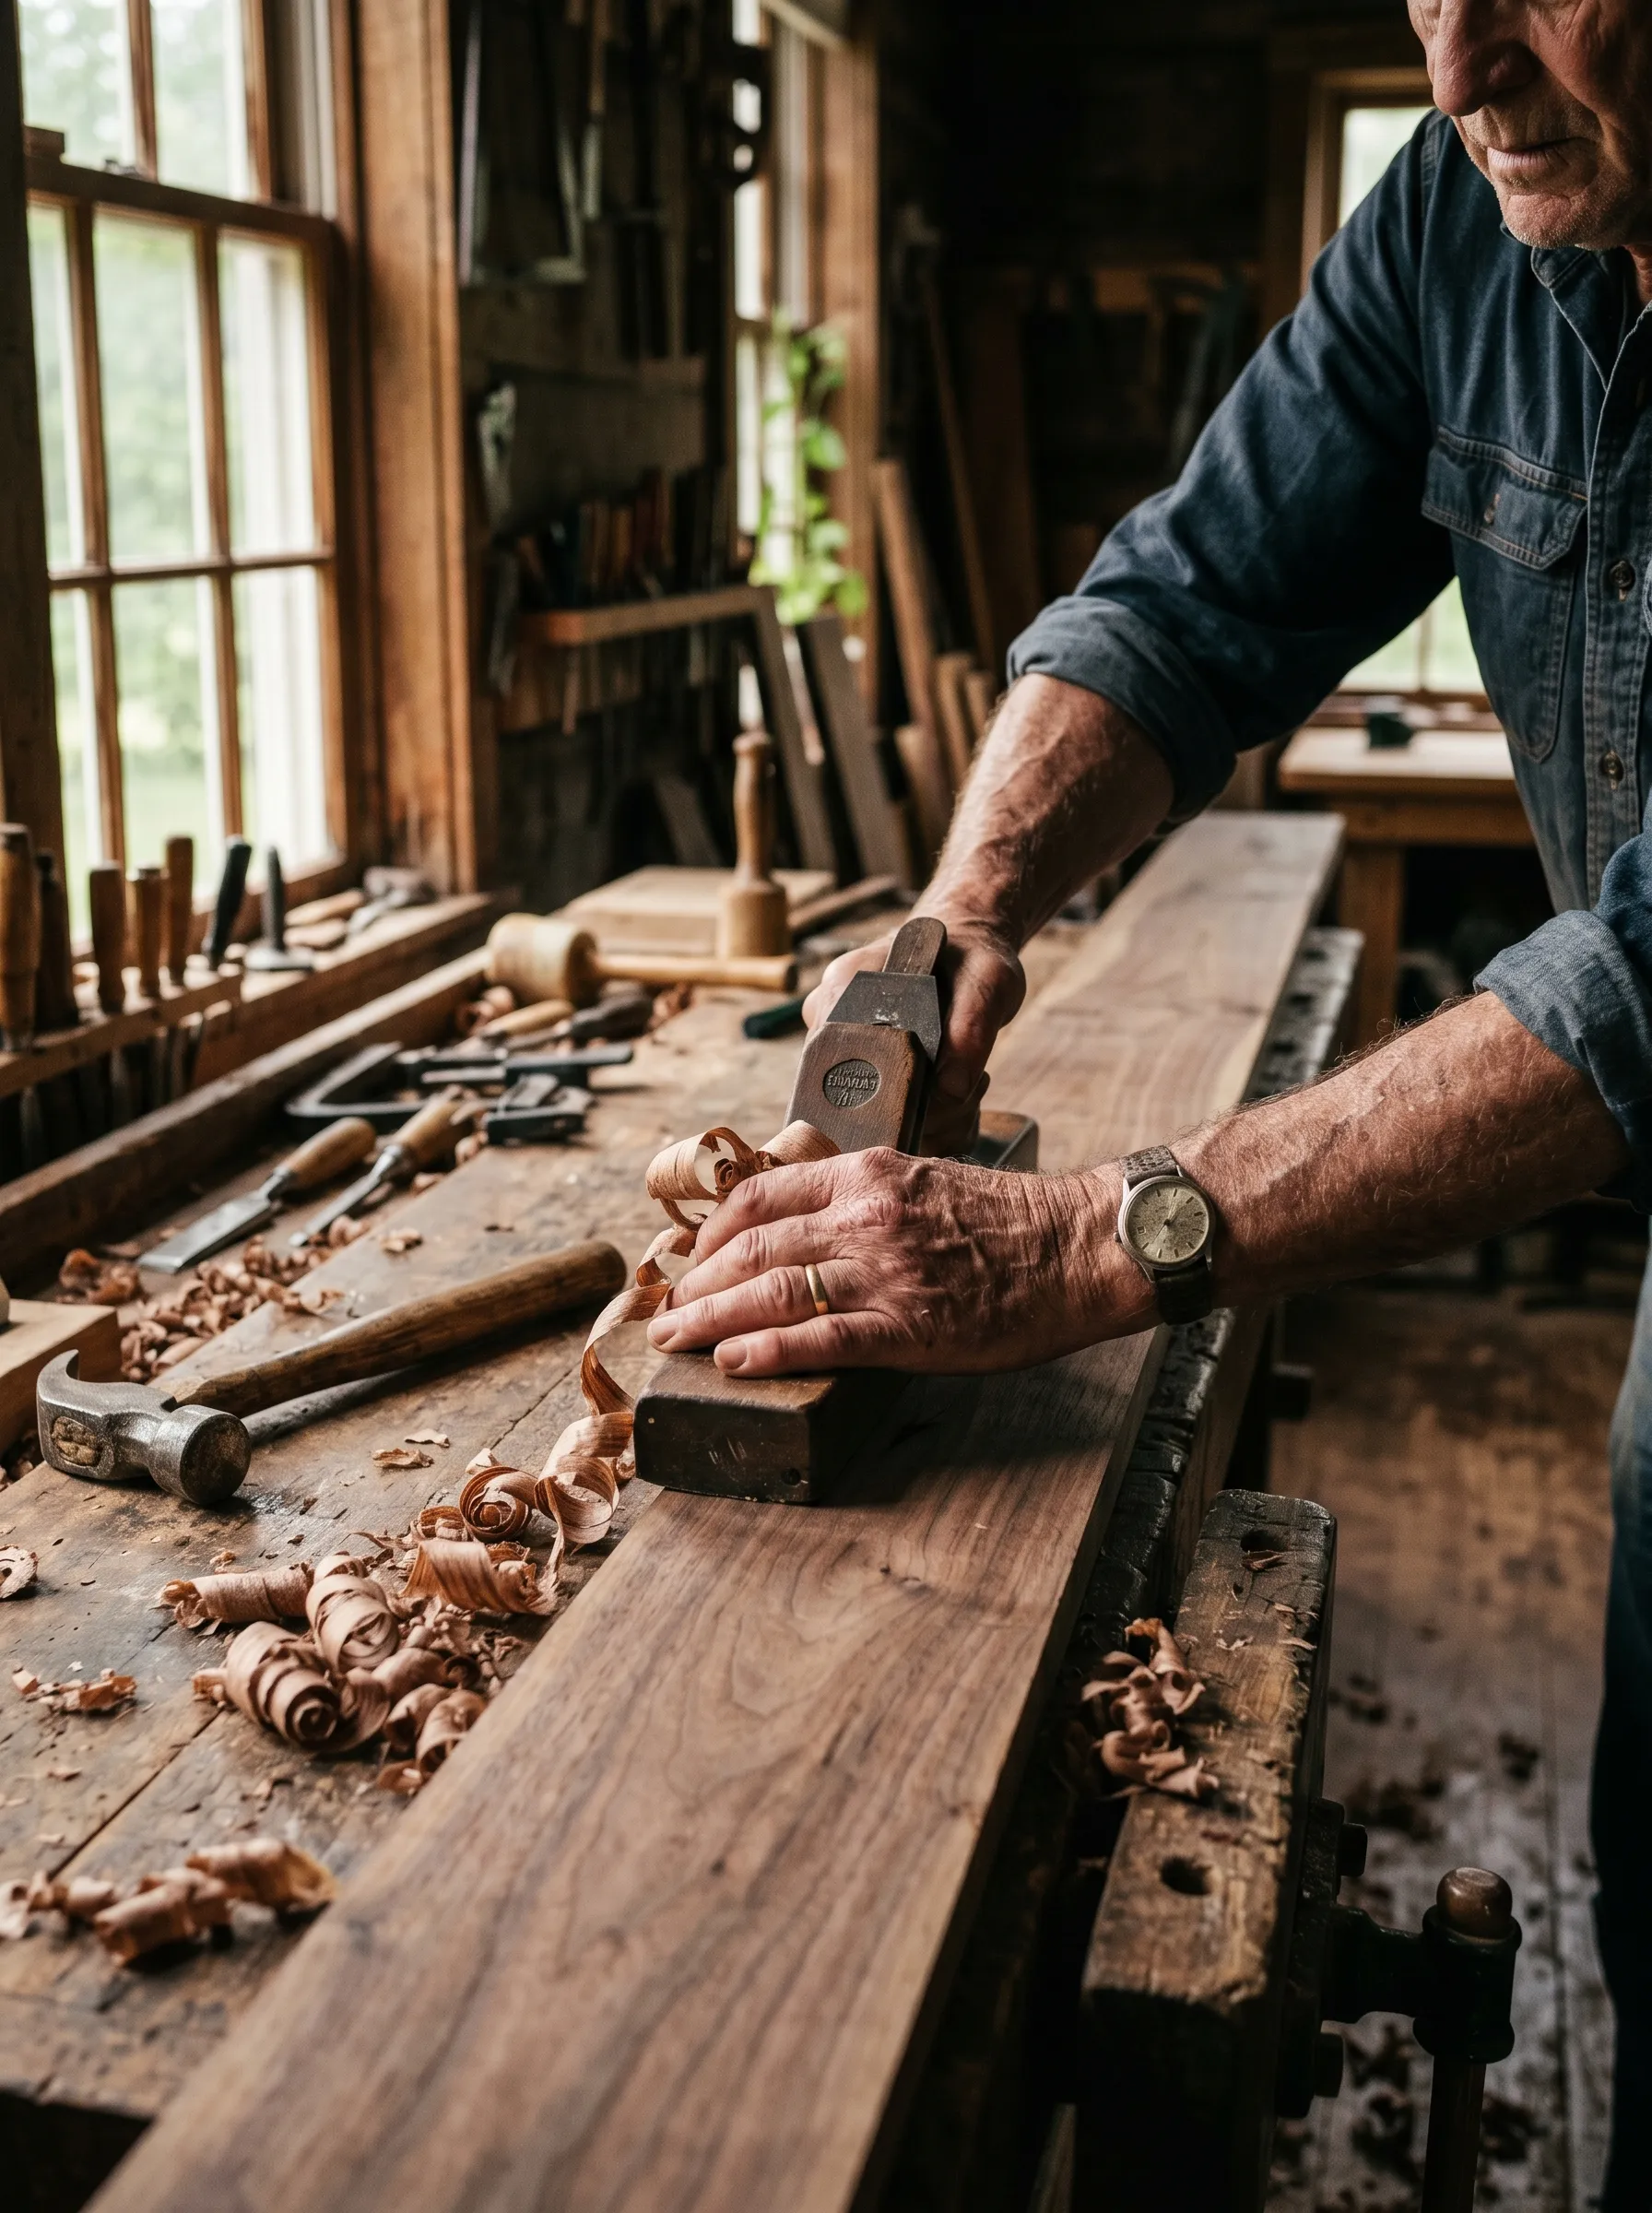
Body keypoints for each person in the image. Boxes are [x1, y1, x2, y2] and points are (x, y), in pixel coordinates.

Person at [649, 0, 1652, 2196]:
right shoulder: (1461, 210)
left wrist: (1102, 1233)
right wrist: (957, 915)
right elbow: (1192, 595)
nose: (1462, 62)